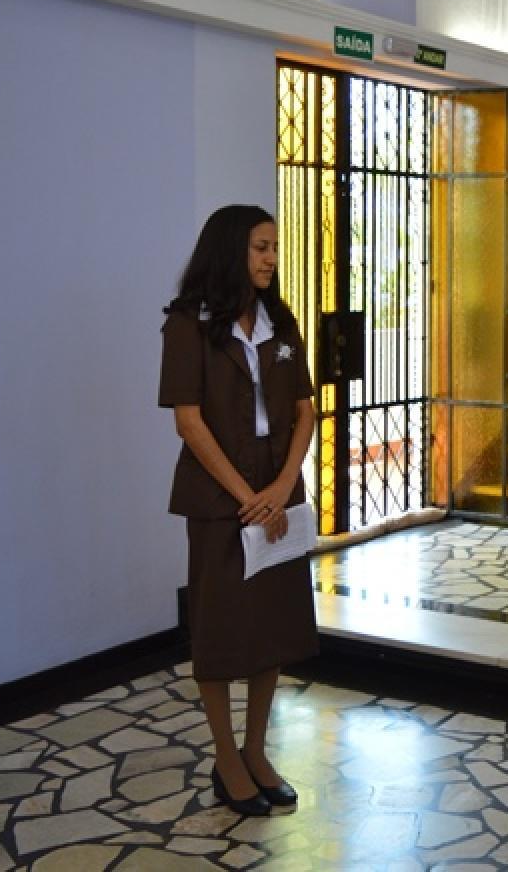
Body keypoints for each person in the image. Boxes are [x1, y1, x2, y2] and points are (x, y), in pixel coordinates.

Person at [158, 205, 317, 817]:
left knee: (271, 628)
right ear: (230, 250)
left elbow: (305, 411)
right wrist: (245, 496)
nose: (271, 258)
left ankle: (256, 750)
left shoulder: (280, 320)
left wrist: (280, 488)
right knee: (222, 630)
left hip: (276, 496)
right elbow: (188, 421)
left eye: (274, 247)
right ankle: (226, 757)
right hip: (219, 501)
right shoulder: (186, 326)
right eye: (259, 247)